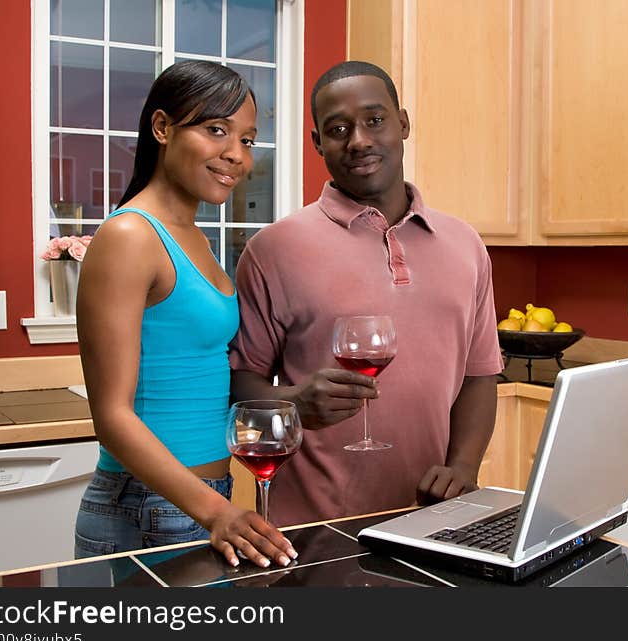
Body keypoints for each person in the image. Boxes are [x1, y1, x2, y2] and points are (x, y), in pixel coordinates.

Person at [230, 60, 503, 527]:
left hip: (426, 519)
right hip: (310, 528)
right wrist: (293, 403)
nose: (358, 140)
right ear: (318, 143)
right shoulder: (272, 250)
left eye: (375, 120)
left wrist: (462, 467)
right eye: (337, 129)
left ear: (403, 123)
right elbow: (239, 390)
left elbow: (480, 376)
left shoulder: (466, 244)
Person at [74, 60, 296, 569]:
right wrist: (216, 511)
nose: (236, 155)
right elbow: (112, 417)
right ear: (162, 128)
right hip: (151, 506)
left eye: (247, 140)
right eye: (216, 130)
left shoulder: (193, 236)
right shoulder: (130, 236)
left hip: (198, 498)